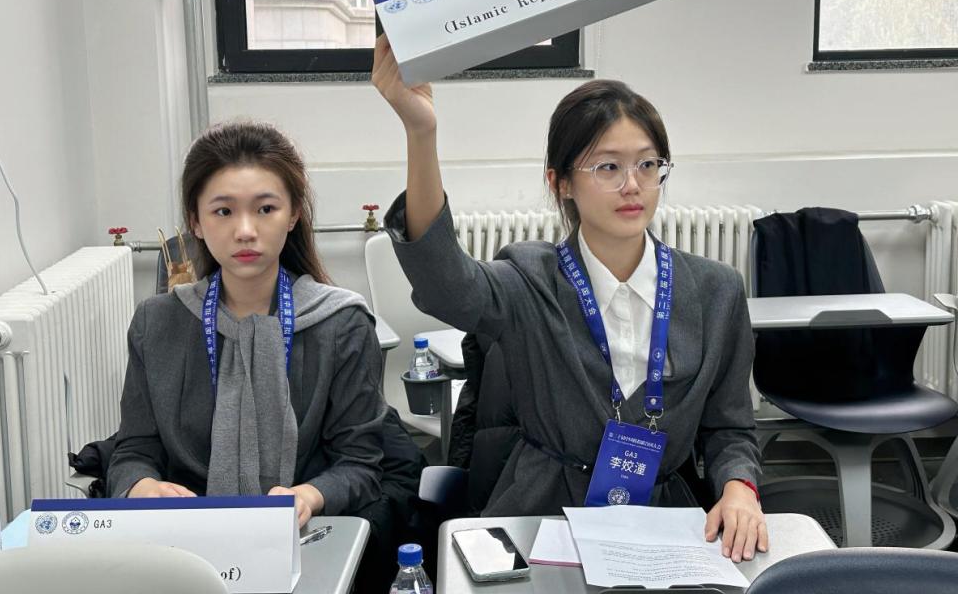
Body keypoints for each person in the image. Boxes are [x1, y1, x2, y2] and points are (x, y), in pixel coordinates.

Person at [371, 35, 768, 563]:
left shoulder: (716, 291)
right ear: (560, 183)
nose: (633, 185)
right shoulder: (530, 279)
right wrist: (421, 133)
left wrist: (739, 486)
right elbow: (447, 285)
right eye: (608, 167)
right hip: (543, 512)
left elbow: (729, 426)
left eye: (648, 165)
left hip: (663, 516)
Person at [107, 120, 389, 529]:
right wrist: (141, 485)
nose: (245, 231)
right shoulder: (157, 323)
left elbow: (360, 464)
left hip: (305, 535)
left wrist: (310, 495)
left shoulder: (341, 323)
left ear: (293, 214)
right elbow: (132, 451)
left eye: (265, 209)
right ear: (196, 221)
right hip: (186, 535)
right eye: (223, 211)